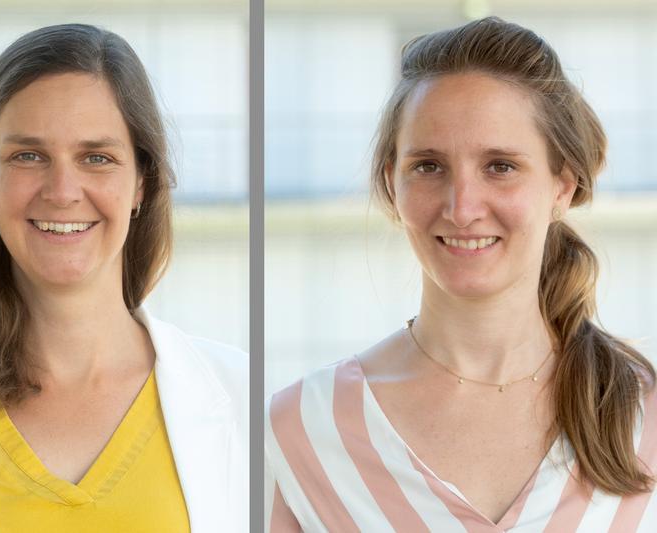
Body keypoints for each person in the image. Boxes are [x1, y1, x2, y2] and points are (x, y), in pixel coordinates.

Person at [265, 17, 657, 532]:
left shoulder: (643, 413)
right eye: (428, 166)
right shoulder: (302, 429)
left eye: (500, 166)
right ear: (392, 183)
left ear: (562, 185)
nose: (462, 207)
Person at [0, 24, 247, 533]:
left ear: (141, 184)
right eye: (28, 156)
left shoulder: (241, 394)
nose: (62, 191)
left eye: (97, 158)